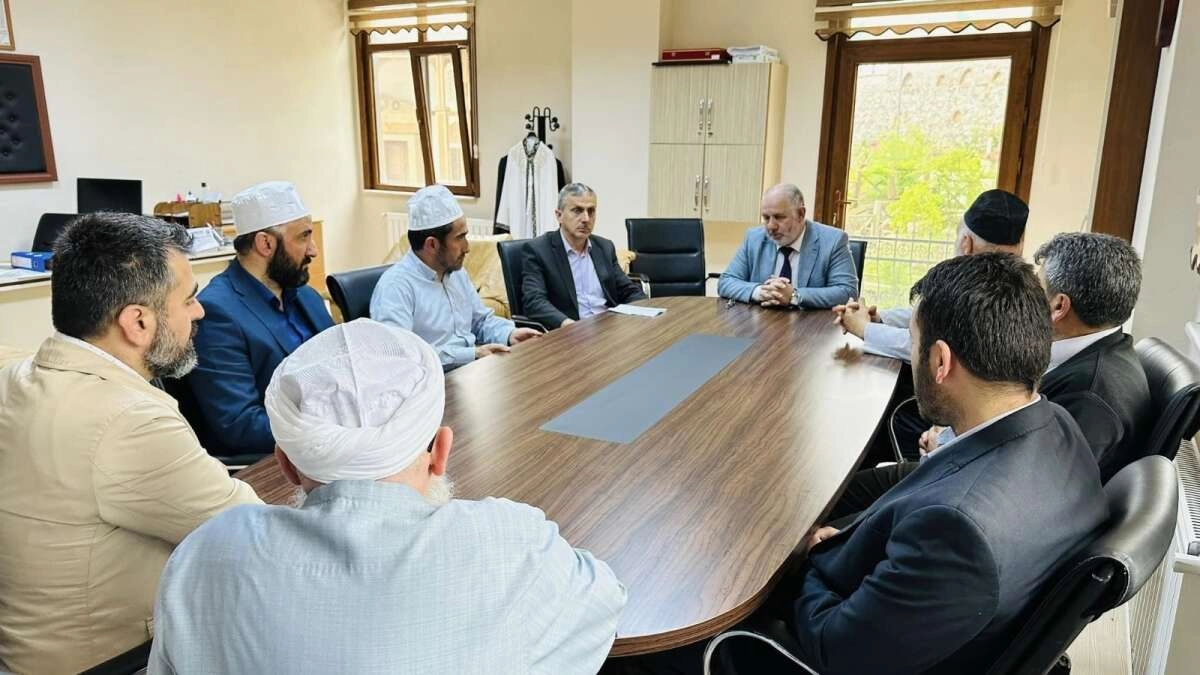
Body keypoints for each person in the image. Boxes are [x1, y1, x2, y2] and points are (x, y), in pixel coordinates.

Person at [149, 320, 627, 674]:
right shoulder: (514, 545)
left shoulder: (204, 556)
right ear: (441, 452)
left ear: (287, 465)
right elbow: (605, 600)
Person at [716, 253, 1109, 675]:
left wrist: (812, 556)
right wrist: (847, 538)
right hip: (911, 611)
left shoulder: (957, 531)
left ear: (940, 361)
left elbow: (835, 650)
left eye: (914, 343)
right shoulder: (1057, 426)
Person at [0, 213, 261, 673]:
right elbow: (251, 533)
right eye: (189, 300)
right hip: (115, 662)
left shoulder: (16, 376)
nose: (199, 313)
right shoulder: (129, 421)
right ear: (137, 322)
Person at [896, 233, 1151, 484]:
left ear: (1059, 306)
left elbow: (1024, 483)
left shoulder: (1091, 398)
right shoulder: (1098, 354)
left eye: (1037, 288)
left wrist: (946, 444)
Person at [185, 181, 334, 458]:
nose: (313, 250)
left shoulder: (305, 295)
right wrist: (332, 428)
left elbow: (343, 363)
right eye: (303, 237)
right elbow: (241, 425)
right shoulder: (217, 313)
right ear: (265, 243)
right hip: (285, 457)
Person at [833, 188, 1027, 361]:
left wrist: (864, 329)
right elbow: (933, 315)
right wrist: (880, 318)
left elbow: (926, 347)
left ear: (966, 243)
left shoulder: (979, 294)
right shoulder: (1024, 289)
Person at [371, 184, 539, 369]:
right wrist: (471, 354)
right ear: (432, 245)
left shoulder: (456, 273)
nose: (467, 247)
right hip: (432, 381)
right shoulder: (396, 287)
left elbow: (481, 321)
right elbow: (400, 356)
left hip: (471, 372)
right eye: (460, 238)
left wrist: (510, 334)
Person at [521, 183, 647, 329]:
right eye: (577, 210)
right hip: (570, 332)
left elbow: (629, 291)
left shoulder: (604, 247)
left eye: (591, 211)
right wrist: (567, 324)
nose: (586, 218)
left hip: (609, 329)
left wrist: (644, 311)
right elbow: (534, 301)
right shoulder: (538, 250)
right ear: (559, 215)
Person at [717, 184, 857, 309]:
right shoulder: (754, 238)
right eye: (766, 218)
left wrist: (794, 296)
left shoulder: (833, 240)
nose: (771, 226)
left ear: (801, 214)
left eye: (779, 217)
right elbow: (726, 282)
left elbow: (847, 292)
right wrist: (760, 292)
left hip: (811, 325)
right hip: (762, 323)